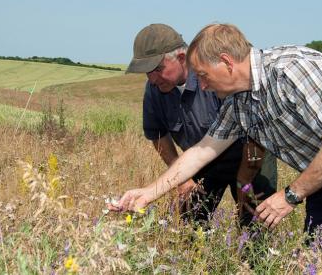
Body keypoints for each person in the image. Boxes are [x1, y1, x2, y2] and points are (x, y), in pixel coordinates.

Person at [111, 23, 322, 272]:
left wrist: (289, 196)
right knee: (319, 266)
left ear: (226, 62)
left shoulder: (294, 68)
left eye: (205, 77)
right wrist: (148, 193)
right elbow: (202, 151)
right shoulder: (238, 102)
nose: (202, 86)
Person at [118, 23, 277, 226]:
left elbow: (256, 134)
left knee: (254, 221)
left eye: (157, 69)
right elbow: (158, 135)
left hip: (252, 154)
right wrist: (182, 179)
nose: (152, 78)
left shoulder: (216, 77)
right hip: (202, 160)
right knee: (185, 224)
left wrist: (244, 181)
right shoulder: (155, 89)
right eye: (146, 72)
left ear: (182, 58)